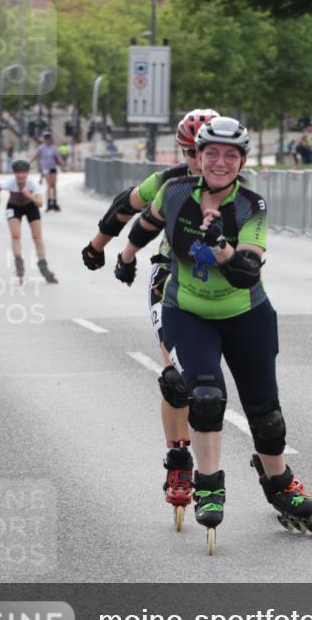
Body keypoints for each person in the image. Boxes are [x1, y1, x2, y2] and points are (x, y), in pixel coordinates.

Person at [114, 116, 312, 552]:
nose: (219, 162)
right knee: (207, 395)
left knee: (266, 414)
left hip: (246, 312)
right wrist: (125, 254)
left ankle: (280, 483)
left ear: (241, 161)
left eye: (230, 156)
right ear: (198, 155)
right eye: (211, 153)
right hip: (187, 311)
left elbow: (246, 273)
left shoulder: (252, 206)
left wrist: (222, 245)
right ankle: (209, 482)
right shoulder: (175, 193)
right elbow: (147, 221)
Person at [82, 109, 220, 526]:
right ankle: (179, 460)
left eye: (208, 152)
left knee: (229, 378)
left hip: (221, 285)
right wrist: (98, 245)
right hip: (170, 278)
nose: (202, 162)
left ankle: (273, 466)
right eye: (193, 153)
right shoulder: (169, 182)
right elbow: (126, 206)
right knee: (177, 377)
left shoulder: (236, 187)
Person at [0, 159, 58, 284]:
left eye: (23, 172)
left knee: (37, 237)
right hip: (14, 207)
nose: (21, 175)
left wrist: (31, 197)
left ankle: (43, 265)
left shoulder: (33, 184)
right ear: (14, 173)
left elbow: (40, 204)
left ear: (27, 173)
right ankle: (19, 263)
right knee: (16, 235)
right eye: (18, 172)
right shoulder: (10, 183)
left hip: (31, 206)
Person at [31, 131, 65, 212]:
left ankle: (55, 202)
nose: (47, 140)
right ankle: (49, 202)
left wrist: (63, 165)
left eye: (48, 138)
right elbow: (36, 155)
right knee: (49, 185)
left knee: (54, 185)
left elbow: (58, 157)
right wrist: (29, 162)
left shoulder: (54, 148)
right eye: (46, 138)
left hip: (52, 167)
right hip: (45, 168)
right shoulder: (41, 148)